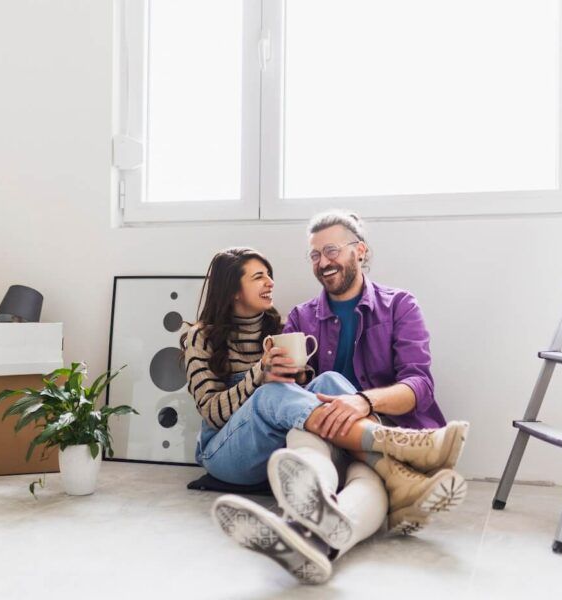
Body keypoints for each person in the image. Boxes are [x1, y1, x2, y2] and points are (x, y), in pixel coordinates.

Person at [181, 247, 467, 585]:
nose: (270, 282)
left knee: (329, 383)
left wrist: (294, 375)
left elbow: (298, 394)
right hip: (225, 451)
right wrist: (261, 374)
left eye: (269, 274)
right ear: (232, 289)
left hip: (274, 446)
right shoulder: (200, 336)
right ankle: (395, 450)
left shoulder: (276, 325)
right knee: (271, 393)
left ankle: (314, 528)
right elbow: (213, 413)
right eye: (259, 276)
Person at [283, 209, 468, 536]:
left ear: (360, 250)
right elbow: (288, 397)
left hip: (384, 428)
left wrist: (362, 402)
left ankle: (309, 531)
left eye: (332, 250)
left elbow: (419, 386)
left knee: (364, 473)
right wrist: (283, 373)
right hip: (330, 438)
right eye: (315, 254)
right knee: (312, 429)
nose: (323, 262)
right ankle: (392, 491)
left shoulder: (400, 305)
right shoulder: (300, 318)